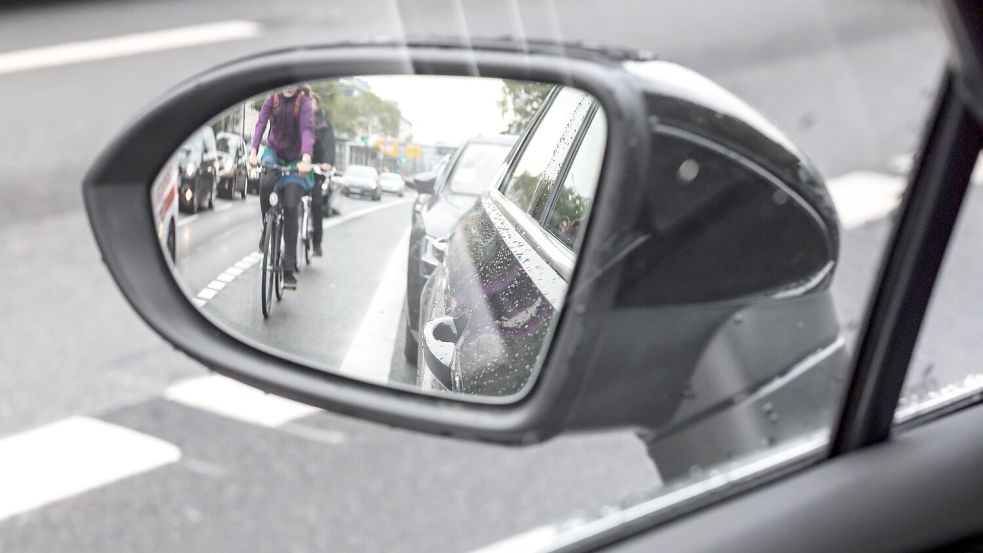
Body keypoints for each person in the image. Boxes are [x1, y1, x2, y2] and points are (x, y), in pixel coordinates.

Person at [248, 84, 315, 290]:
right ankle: (266, 227)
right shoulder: (272, 99)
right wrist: (253, 152)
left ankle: (288, 269)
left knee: (292, 205)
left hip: (296, 160)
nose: (288, 87)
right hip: (274, 152)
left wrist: (305, 158)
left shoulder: (303, 103)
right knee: (266, 182)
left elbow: (307, 130)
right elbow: (260, 124)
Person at [309, 92, 337, 257]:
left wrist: (327, 162)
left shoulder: (325, 124)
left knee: (317, 204)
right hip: (299, 167)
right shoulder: (300, 120)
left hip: (317, 168)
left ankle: (317, 244)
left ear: (318, 105)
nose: (310, 105)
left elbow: (329, 145)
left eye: (312, 102)